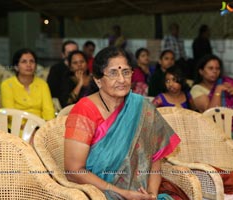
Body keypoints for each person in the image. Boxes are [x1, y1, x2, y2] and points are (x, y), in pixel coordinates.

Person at [64, 46, 187, 200]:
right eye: (113, 73)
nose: (122, 80)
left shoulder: (141, 106)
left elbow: (155, 158)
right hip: (99, 192)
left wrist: (152, 194)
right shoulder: (84, 110)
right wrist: (121, 193)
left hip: (141, 192)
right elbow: (73, 171)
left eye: (126, 72)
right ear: (98, 80)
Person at [0, 48, 55, 120]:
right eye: (24, 62)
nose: (29, 65)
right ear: (16, 67)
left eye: (32, 61)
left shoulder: (42, 84)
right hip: (15, 127)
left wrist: (44, 127)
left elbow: (49, 111)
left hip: (40, 127)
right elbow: (10, 114)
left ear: (35, 66)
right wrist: (27, 128)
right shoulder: (7, 85)